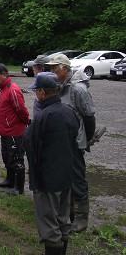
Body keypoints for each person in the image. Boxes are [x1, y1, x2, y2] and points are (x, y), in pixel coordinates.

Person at [24, 72, 79, 254]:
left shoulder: (43, 116)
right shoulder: (70, 112)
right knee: (63, 218)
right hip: (66, 175)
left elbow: (31, 146)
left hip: (47, 178)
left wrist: (34, 176)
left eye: (36, 91)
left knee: (48, 223)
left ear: (42, 92)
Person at [46, 54, 96, 233]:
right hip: (62, 140)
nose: (51, 72)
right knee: (64, 177)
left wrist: (86, 139)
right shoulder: (58, 87)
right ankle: (69, 213)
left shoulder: (77, 89)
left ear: (65, 69)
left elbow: (89, 117)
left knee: (77, 178)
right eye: (50, 69)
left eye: (54, 69)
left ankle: (82, 218)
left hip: (75, 142)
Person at [0, 63, 30, 196]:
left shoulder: (12, 89)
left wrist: (22, 124)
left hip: (15, 131)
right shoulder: (2, 89)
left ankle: (19, 188)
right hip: (5, 131)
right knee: (7, 157)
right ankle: (9, 180)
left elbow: (22, 110)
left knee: (17, 159)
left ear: (4, 75)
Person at [31, 55, 51, 119]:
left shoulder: (45, 85)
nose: (33, 69)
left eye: (34, 67)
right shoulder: (53, 82)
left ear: (42, 69)